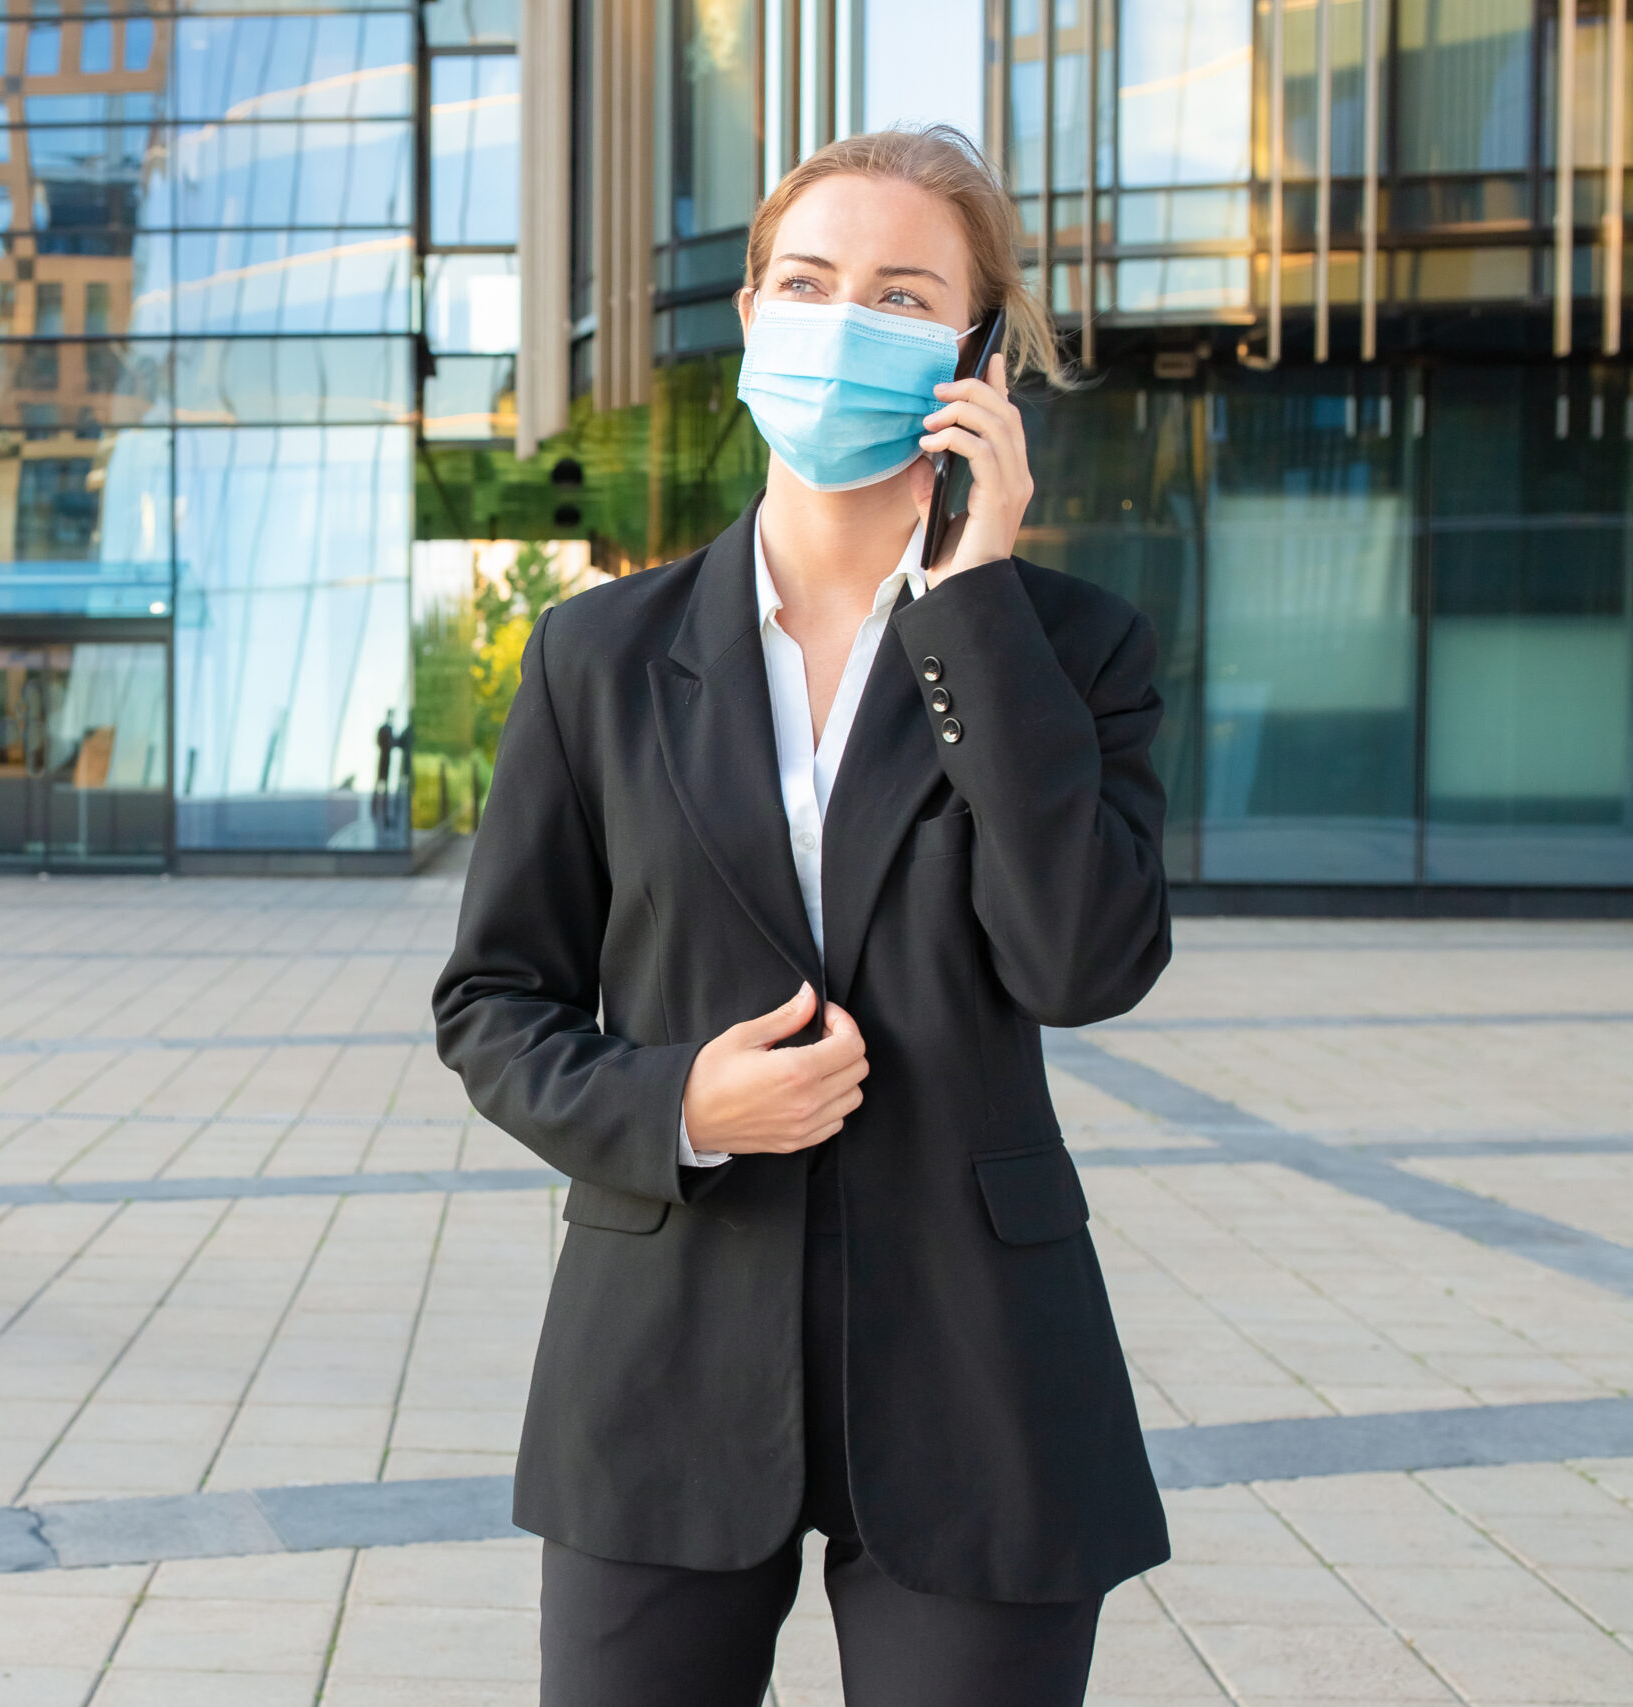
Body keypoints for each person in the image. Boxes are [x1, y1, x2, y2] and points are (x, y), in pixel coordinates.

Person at [433, 127, 1172, 1707]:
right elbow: (492, 996)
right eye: (810, 280)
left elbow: (1082, 960)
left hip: (983, 1377)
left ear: (975, 354)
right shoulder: (597, 657)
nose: (845, 319)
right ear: (755, 312)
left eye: (904, 294)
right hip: (664, 1360)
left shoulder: (1076, 649)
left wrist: (974, 606)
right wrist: (676, 1099)